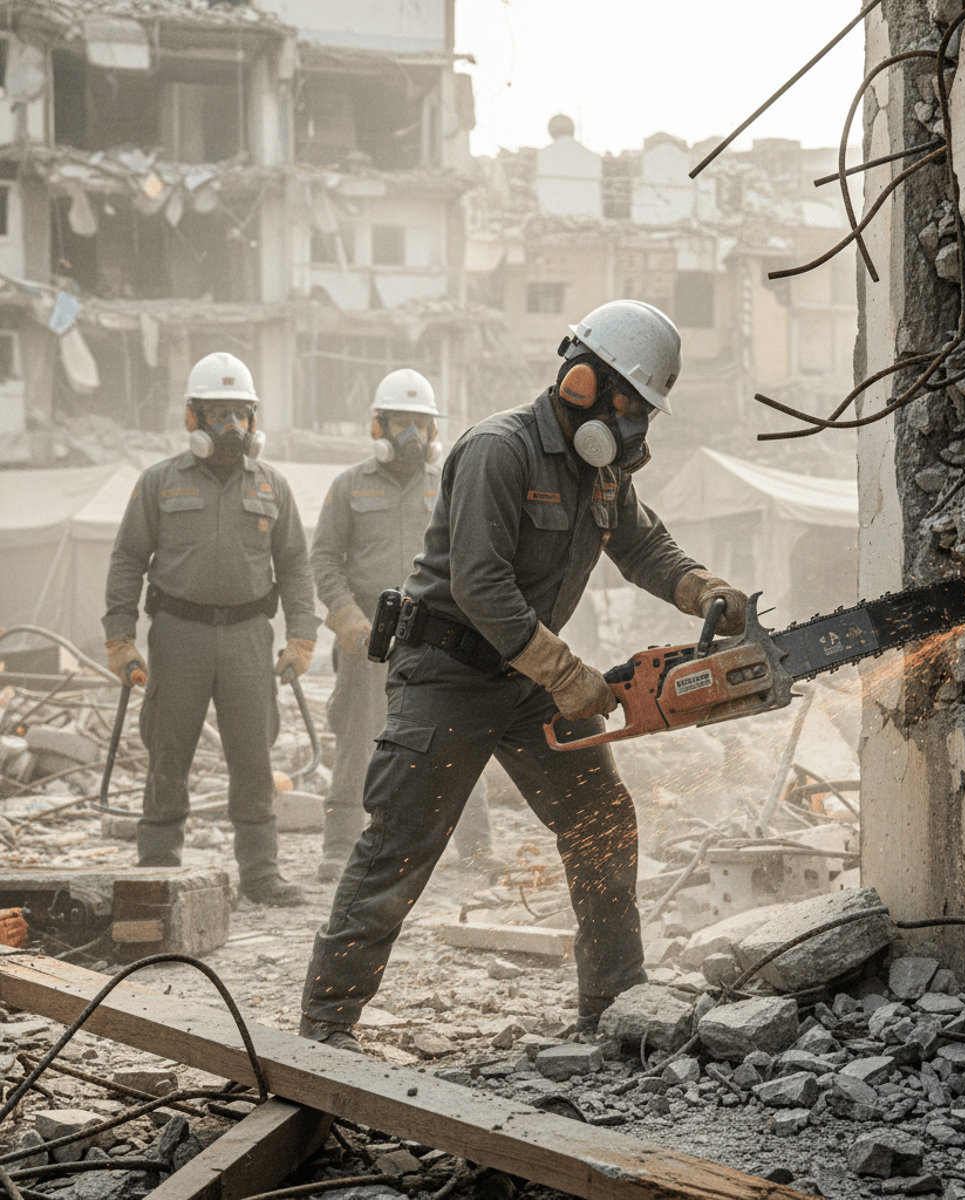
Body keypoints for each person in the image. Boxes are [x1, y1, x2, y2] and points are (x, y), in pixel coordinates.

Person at [299, 300, 748, 1050]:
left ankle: (613, 1004)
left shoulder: (600, 473)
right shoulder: (497, 450)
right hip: (447, 670)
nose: (636, 426)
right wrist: (565, 673)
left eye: (645, 412)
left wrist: (702, 588)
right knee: (400, 846)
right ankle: (323, 1027)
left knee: (602, 819)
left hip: (525, 679)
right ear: (584, 382)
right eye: (632, 406)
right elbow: (480, 584)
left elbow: (642, 546)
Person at [103, 352, 319, 907]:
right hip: (178, 636)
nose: (231, 428)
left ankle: (260, 875)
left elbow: (295, 564)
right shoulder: (158, 483)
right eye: (218, 414)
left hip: (249, 637)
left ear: (253, 420)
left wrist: (301, 636)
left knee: (253, 756)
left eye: (240, 415)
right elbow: (128, 559)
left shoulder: (273, 485)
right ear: (192, 418)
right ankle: (157, 867)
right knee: (167, 753)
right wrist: (119, 637)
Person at [310, 368, 497, 882]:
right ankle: (337, 846)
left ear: (434, 432)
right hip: (368, 632)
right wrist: (346, 616)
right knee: (357, 737)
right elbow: (323, 559)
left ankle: (477, 847)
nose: (411, 436)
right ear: (379, 427)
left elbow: (474, 557)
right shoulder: (348, 486)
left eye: (420, 424)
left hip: (439, 630)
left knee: (456, 735)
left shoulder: (452, 485)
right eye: (400, 424)